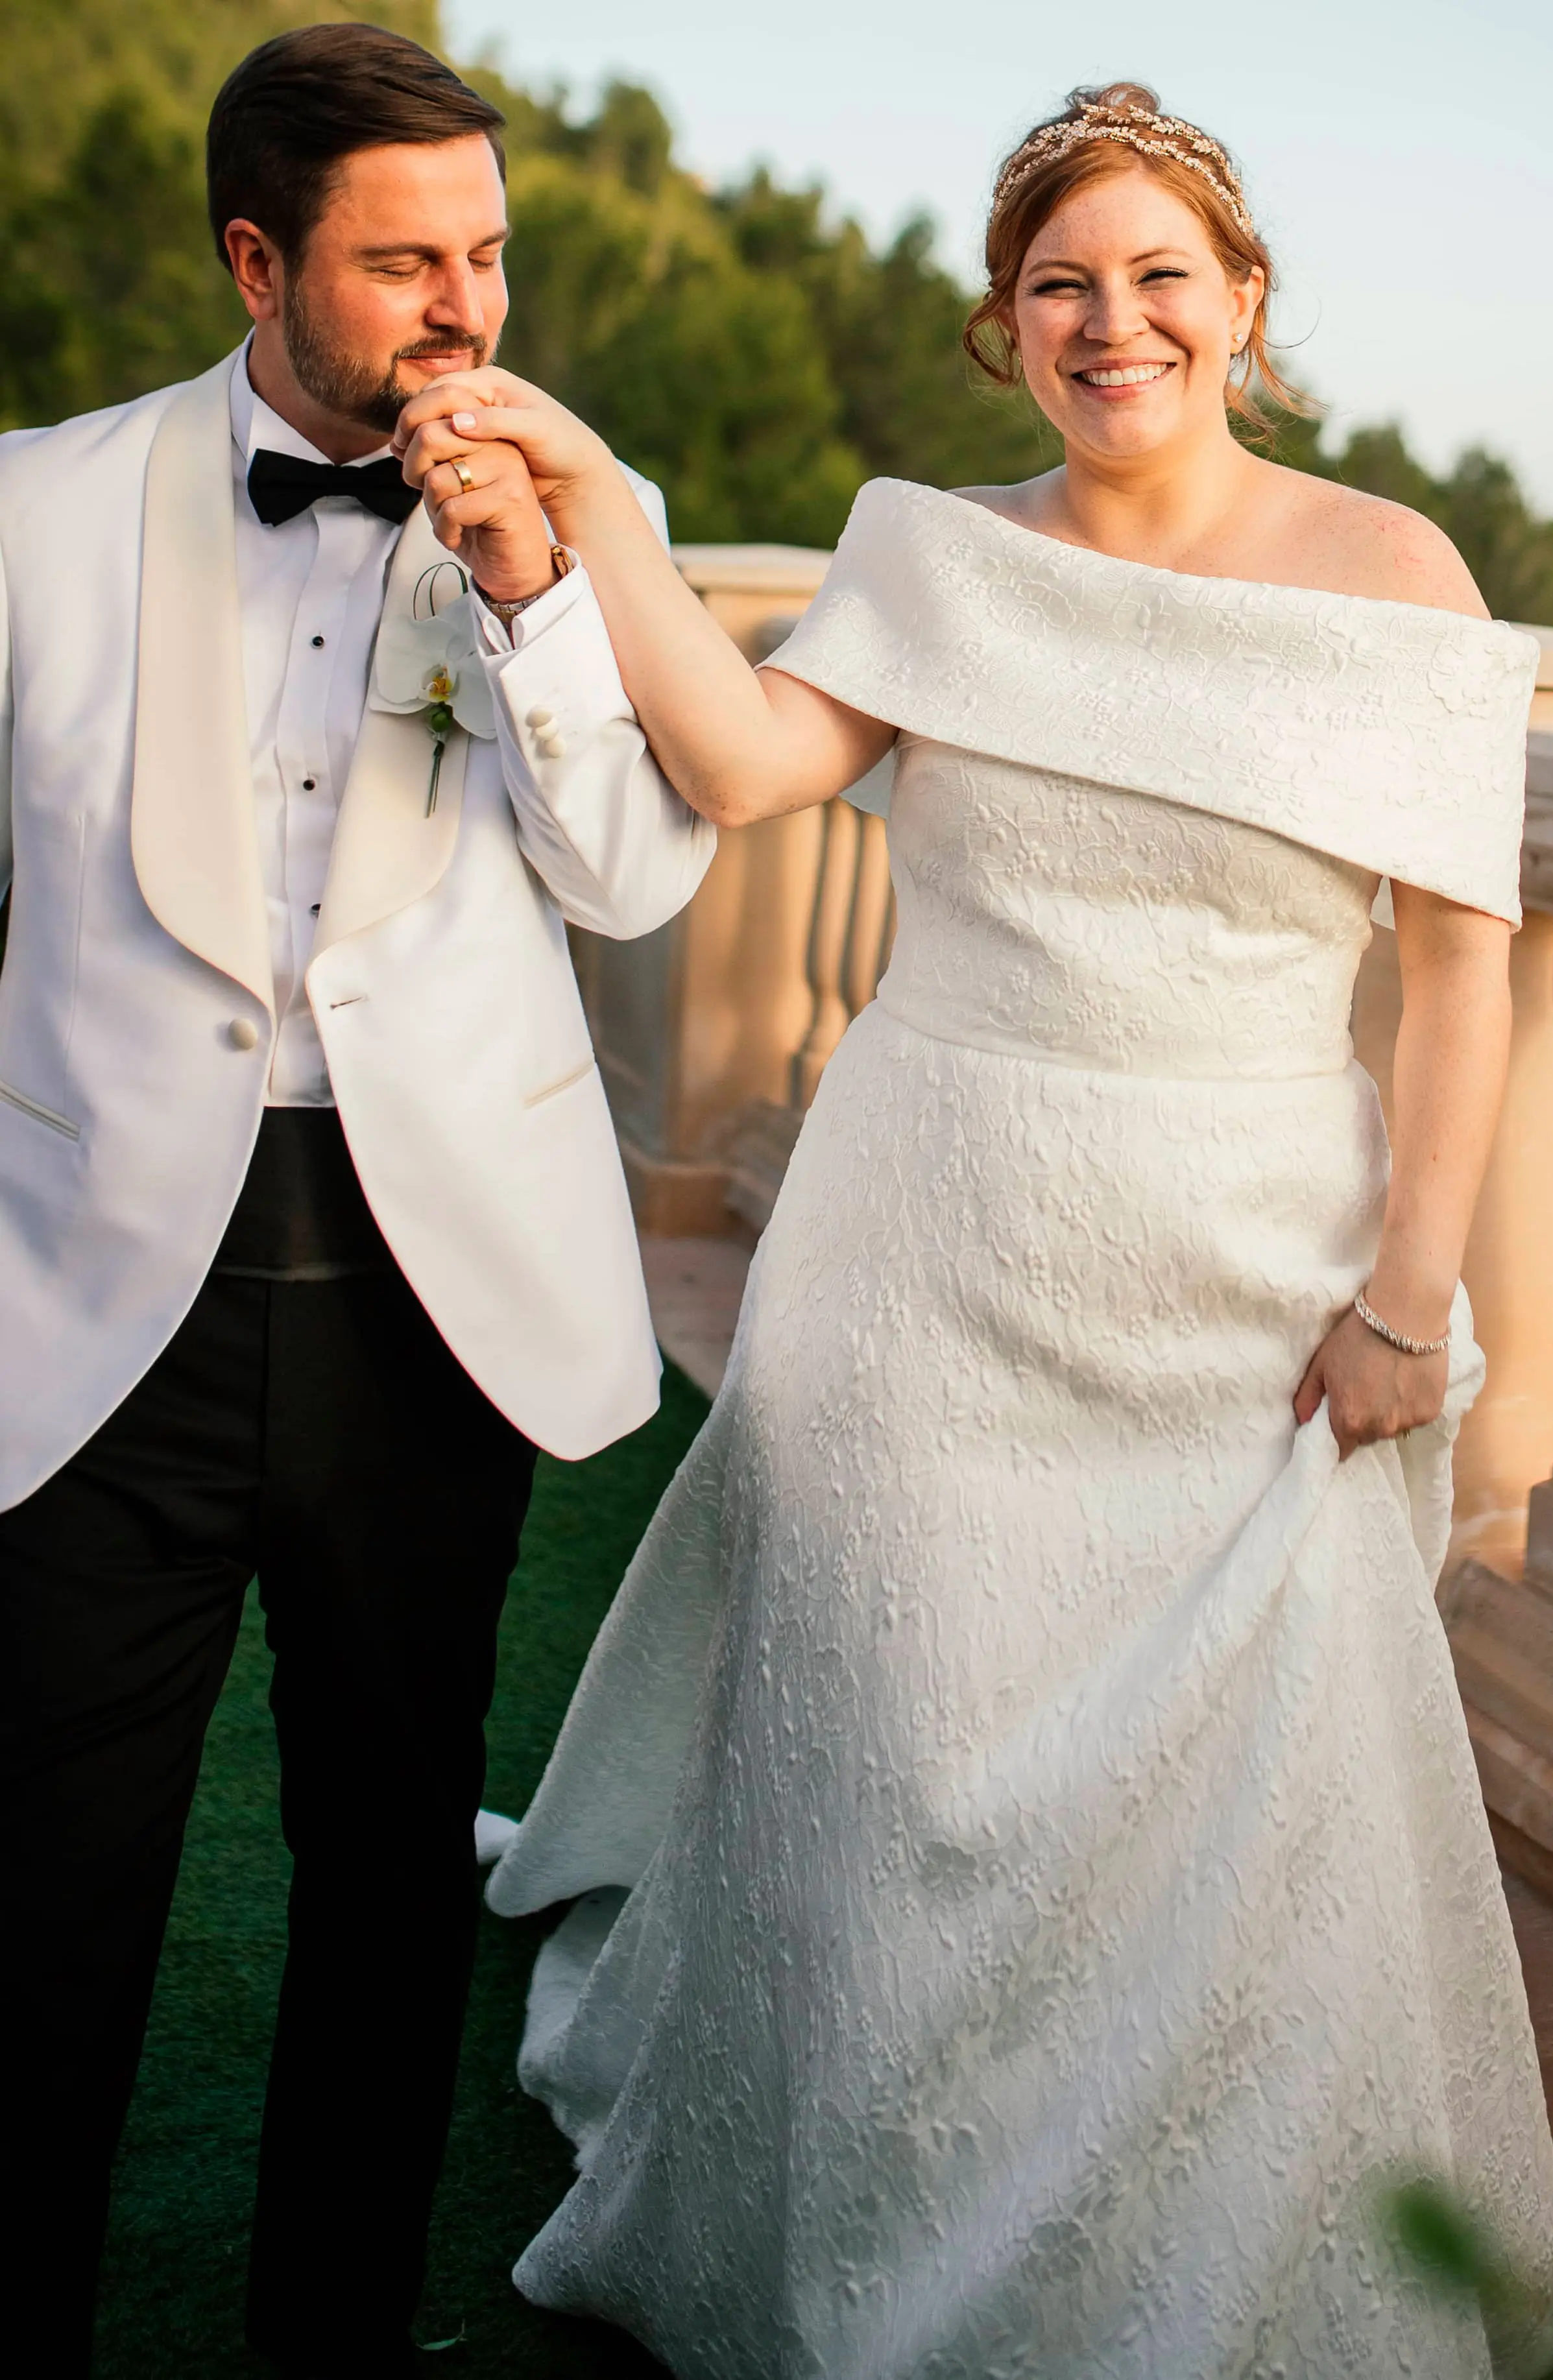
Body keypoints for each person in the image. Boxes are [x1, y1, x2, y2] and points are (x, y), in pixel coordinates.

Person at [399, 81, 1553, 2377]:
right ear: (1003, 327)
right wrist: (592, 511)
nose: (1110, 320)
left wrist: (1405, 1307)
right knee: (895, 1759)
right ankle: (833, 2232)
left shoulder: (1395, 579)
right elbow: (744, 769)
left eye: (1160, 276)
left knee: (1216, 1826)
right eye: (1062, 282)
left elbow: (1463, 975)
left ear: (1243, 308)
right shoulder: (933, 556)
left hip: (1249, 1281)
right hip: (921, 1258)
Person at [0, 24, 714, 2377]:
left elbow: (626, 877)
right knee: (52, 1890)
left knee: (390, 1872)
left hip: (431, 1305)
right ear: (255, 258)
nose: (463, 308)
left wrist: (529, 594)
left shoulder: (570, 518)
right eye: (404, 258)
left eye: (485, 255)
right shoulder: (35, 512)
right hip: (98, 1294)